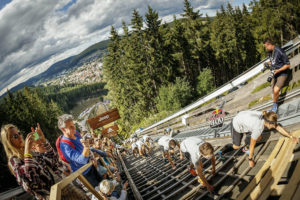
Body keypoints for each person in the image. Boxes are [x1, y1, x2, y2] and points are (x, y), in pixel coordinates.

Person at [0, 123, 88, 200]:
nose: (20, 137)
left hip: (62, 185)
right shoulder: (14, 160)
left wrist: (43, 140)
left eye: (19, 133)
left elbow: (54, 161)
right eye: (15, 136)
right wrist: (27, 153)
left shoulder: (32, 153)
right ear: (8, 142)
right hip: (52, 195)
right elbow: (30, 180)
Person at [219, 110, 299, 168]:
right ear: (268, 123)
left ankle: (245, 148)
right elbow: (253, 143)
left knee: (259, 137)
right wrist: (250, 159)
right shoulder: (258, 127)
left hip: (245, 121)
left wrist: (291, 136)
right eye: (273, 125)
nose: (274, 127)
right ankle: (222, 151)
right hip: (236, 124)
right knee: (237, 146)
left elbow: (278, 127)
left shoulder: (266, 115)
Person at [57, 114, 102, 187]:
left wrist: (92, 157)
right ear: (63, 129)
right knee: (98, 190)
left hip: (91, 165)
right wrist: (86, 148)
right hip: (85, 173)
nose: (74, 128)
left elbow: (83, 148)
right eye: (71, 127)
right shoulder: (65, 146)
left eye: (73, 125)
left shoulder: (76, 133)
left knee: (102, 182)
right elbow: (82, 160)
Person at [263, 38, 291, 113]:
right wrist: (267, 63)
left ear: (269, 44)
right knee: (273, 90)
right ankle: (274, 105)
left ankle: (275, 108)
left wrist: (278, 70)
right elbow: (273, 61)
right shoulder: (270, 52)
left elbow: (288, 65)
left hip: (282, 73)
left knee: (275, 90)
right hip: (275, 73)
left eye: (266, 46)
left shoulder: (279, 51)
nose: (266, 48)